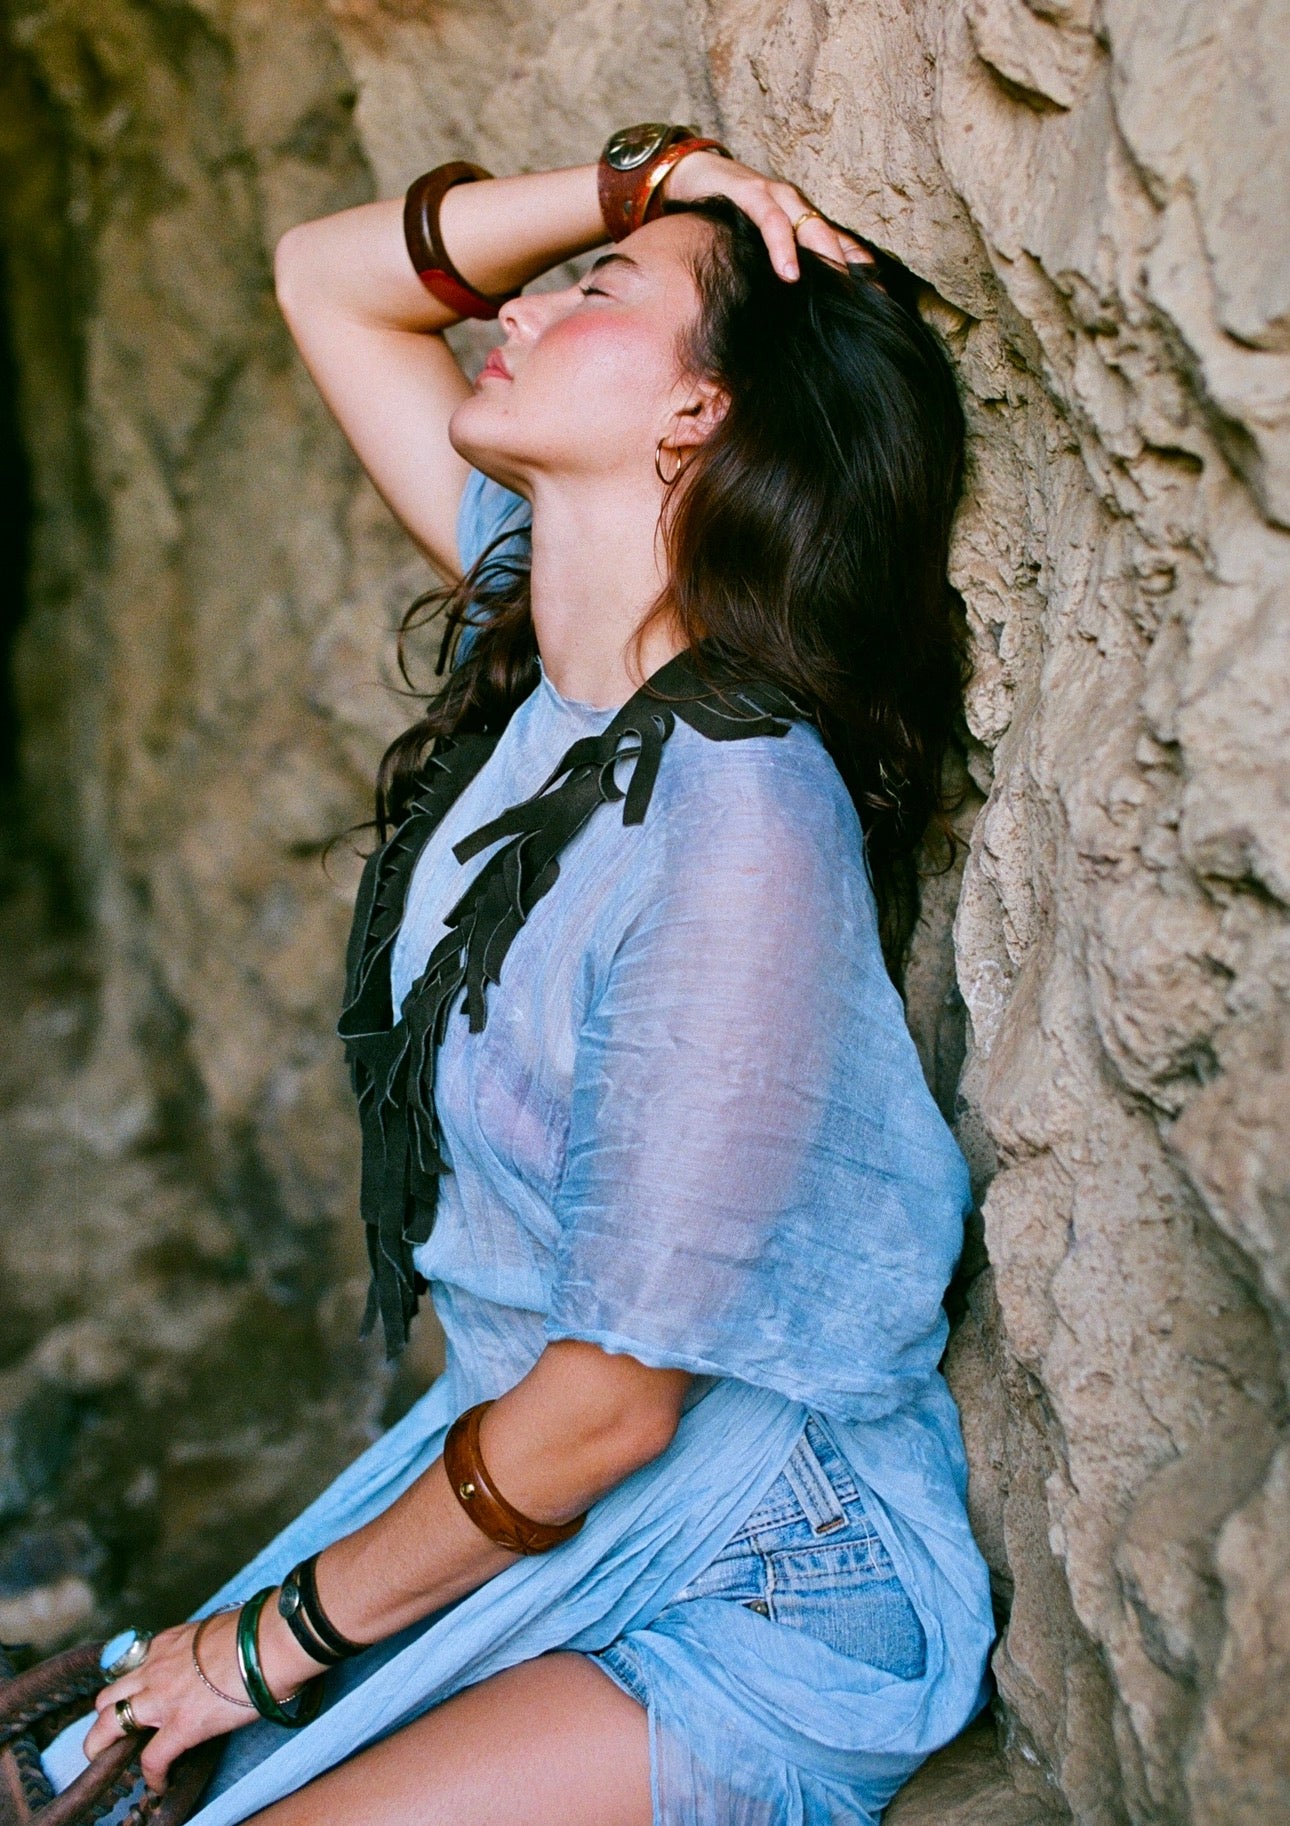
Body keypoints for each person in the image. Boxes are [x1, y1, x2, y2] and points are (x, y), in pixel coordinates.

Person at [61, 128, 994, 1825]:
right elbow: (322, 282)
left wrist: (258, 1647)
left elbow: (609, 1408)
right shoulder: (553, 662)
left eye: (595, 292)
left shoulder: (733, 812)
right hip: (555, 1486)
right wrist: (648, 187)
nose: (526, 305)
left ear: (695, 413)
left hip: (761, 1573)